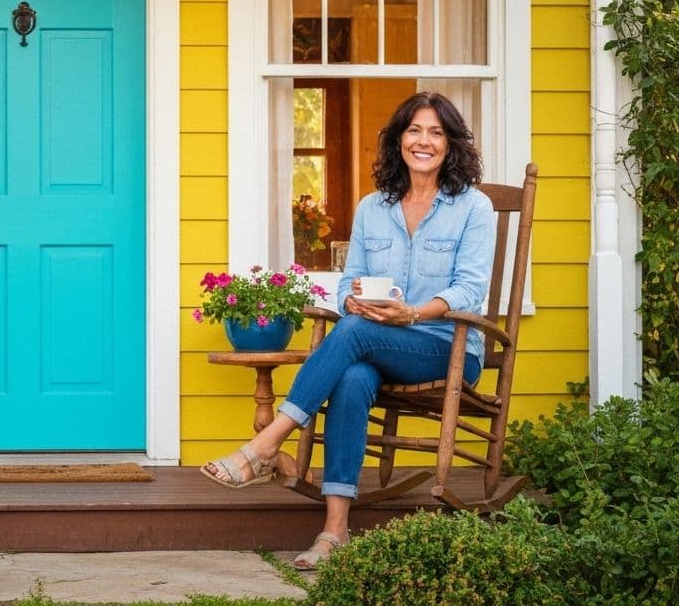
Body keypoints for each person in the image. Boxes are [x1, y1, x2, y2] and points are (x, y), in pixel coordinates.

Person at [199, 91, 494, 570]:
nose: (424, 141)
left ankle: (266, 445)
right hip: (379, 340)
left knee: (354, 334)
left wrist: (414, 313)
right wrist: (351, 300)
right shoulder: (372, 208)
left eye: (436, 132)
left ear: (451, 144)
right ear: (399, 140)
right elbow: (347, 281)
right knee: (353, 376)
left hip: (448, 345)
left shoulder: (472, 208)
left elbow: (470, 290)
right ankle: (334, 532)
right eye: (414, 130)